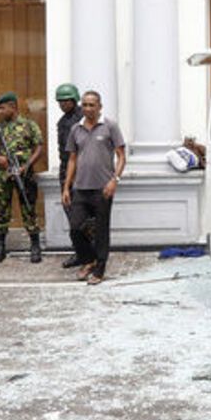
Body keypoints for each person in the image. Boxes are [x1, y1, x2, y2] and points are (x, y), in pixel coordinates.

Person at [61, 90, 125, 286]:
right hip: (81, 187)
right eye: (85, 105)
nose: (88, 108)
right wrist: (66, 187)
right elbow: (72, 159)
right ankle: (88, 260)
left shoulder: (109, 126)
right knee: (75, 228)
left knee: (101, 230)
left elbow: (121, 156)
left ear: (99, 107)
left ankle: (99, 269)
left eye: (92, 105)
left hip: (103, 188)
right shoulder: (75, 130)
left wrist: (115, 180)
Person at [0, 92, 43, 264]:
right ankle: (0, 246)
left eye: (2, 108)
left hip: (23, 174)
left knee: (28, 206)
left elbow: (39, 147)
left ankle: (35, 245)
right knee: (1, 210)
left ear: (13, 107)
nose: (0, 112)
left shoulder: (29, 125)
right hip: (2, 175)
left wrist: (27, 165)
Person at [54, 82, 85, 269]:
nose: (63, 104)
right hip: (67, 169)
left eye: (66, 101)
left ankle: (89, 253)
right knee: (72, 214)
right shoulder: (62, 121)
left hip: (82, 170)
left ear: (74, 99)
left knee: (86, 215)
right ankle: (79, 251)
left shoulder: (83, 119)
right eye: (60, 102)